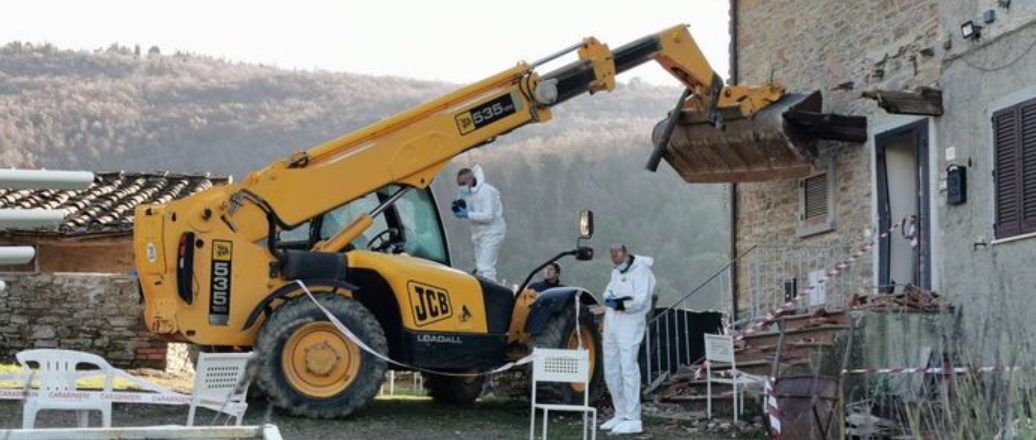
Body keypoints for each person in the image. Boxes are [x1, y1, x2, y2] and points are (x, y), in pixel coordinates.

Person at [600, 244, 655, 435]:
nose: (616, 264)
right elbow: (607, 292)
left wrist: (622, 304)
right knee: (611, 368)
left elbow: (641, 299)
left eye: (619, 260)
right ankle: (620, 412)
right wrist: (611, 301)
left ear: (626, 254)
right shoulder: (616, 272)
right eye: (613, 261)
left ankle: (633, 418)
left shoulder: (642, 271)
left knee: (628, 368)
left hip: (630, 323)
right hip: (612, 322)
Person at [451, 165, 506, 281]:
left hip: (492, 232)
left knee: (485, 268)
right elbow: (469, 209)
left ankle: (491, 295)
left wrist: (467, 214)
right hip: (479, 234)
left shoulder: (486, 191)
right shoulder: (469, 193)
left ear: (470, 180)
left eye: (463, 183)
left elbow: (488, 216)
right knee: (480, 268)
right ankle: (483, 293)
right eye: (459, 184)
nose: (461, 187)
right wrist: (458, 207)